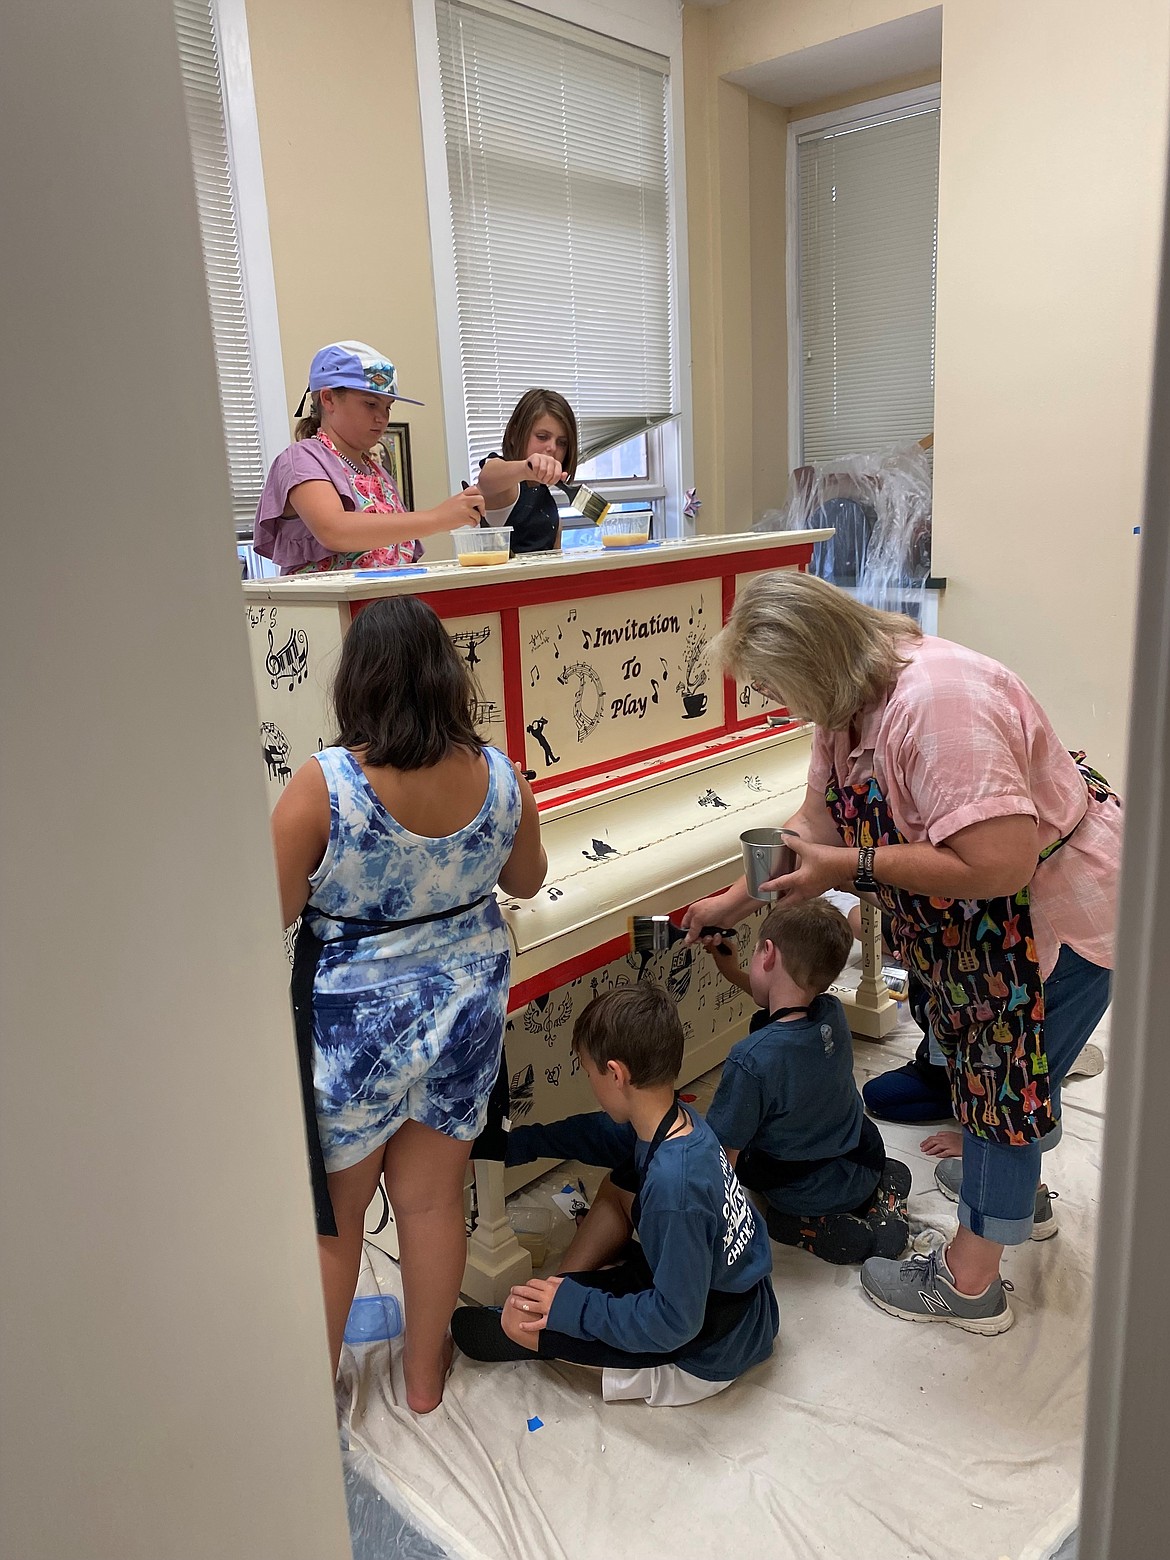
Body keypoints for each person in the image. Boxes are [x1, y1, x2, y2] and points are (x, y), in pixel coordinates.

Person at [684, 570, 1121, 1335]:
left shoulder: (936, 707)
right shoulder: (850, 699)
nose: (779, 706)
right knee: (1009, 1082)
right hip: (995, 925)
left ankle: (971, 1282)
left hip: (1053, 914)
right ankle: (1020, 1198)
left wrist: (853, 869)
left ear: (811, 660)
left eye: (776, 688)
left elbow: (1001, 862)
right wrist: (733, 899)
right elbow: (816, 821)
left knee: (1004, 1093)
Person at [270, 596, 547, 1409]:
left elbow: (270, 911)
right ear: (444, 679)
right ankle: (423, 1384)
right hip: (465, 1015)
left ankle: (318, 1412)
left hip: (353, 1034)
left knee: (335, 1225)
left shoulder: (324, 787)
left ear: (358, 682)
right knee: (432, 1205)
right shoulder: (502, 776)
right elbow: (526, 882)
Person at [451, 983, 779, 1406]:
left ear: (616, 1073)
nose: (589, 1082)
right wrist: (507, 1148)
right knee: (621, 1181)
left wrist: (574, 1309)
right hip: (744, 1302)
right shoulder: (678, 1121)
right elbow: (592, 1135)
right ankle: (563, 1293)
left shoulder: (673, 1187)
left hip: (710, 1347)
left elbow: (675, 1322)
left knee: (519, 1320)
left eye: (588, 1072)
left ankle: (550, 1320)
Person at [703, 900, 911, 1264]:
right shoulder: (832, 1014)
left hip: (804, 1190)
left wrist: (715, 1227)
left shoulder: (750, 1059)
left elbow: (724, 1156)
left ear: (767, 953)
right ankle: (879, 1198)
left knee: (744, 1168)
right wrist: (733, 970)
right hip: (865, 1157)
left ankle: (808, 1223)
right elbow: (783, 1002)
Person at [254, 340, 484, 574]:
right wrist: (437, 518)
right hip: (337, 610)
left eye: (387, 407)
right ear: (328, 399)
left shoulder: (377, 471)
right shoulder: (302, 460)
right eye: (371, 404)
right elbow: (334, 530)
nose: (382, 418)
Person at [475, 389, 578, 554]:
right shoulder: (508, 487)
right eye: (542, 437)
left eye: (562, 442)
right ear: (515, 435)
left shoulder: (548, 504)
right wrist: (526, 468)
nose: (552, 448)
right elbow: (487, 480)